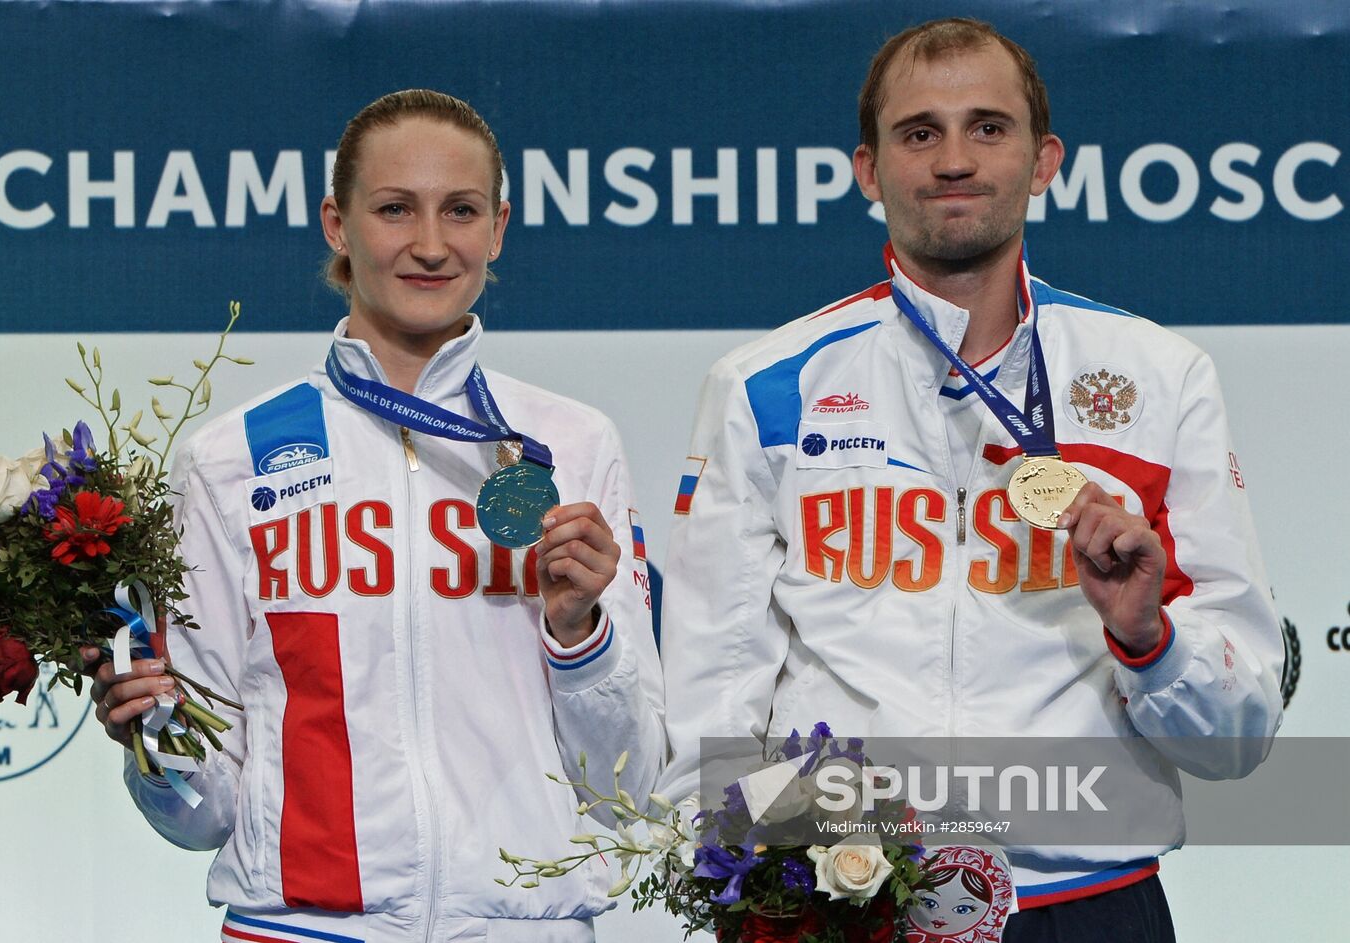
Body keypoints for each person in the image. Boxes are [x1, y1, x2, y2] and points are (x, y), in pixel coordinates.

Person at [659, 17, 1281, 942]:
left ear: (1044, 161)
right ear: (869, 171)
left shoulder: (1159, 377)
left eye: (989, 127)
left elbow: (1235, 740)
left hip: (1087, 907)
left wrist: (1147, 635)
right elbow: (711, 701)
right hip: (846, 909)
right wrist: (759, 881)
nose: (955, 159)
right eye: (921, 133)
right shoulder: (763, 385)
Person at [85, 89, 664, 943]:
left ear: (498, 227)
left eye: (460, 210)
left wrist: (580, 635)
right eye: (395, 209)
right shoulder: (229, 459)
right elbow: (201, 814)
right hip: (303, 928)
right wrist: (153, 738)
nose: (430, 244)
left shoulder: (571, 445)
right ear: (336, 223)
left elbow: (633, 783)